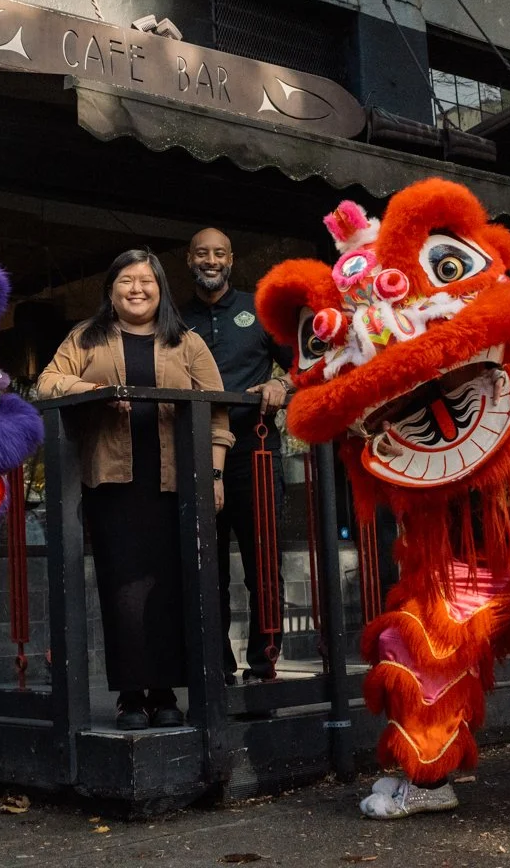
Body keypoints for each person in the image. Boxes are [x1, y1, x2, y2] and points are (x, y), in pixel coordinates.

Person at [38, 249, 233, 730]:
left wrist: (214, 475)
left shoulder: (185, 342)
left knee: (169, 587)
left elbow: (218, 413)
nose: (137, 289)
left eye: (146, 281)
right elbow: (47, 383)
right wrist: (91, 391)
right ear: (111, 289)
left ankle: (166, 692)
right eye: (126, 280)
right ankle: (130, 696)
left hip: (175, 485)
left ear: (160, 289)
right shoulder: (87, 337)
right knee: (122, 589)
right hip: (113, 484)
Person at [181, 227, 292, 683]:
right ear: (190, 259)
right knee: (208, 570)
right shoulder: (173, 318)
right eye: (202, 253)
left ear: (231, 259)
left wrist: (281, 384)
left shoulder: (258, 310)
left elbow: (306, 366)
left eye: (219, 253)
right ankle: (218, 669)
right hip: (194, 456)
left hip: (256, 454)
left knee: (263, 566)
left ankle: (264, 667)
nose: (211, 260)